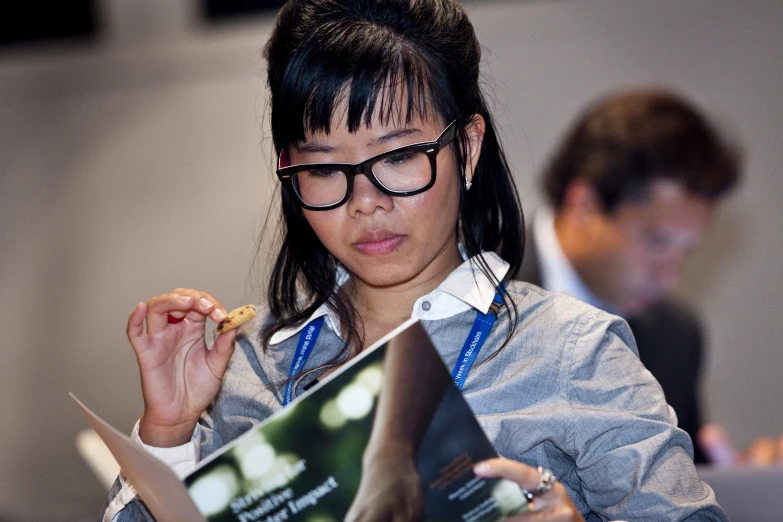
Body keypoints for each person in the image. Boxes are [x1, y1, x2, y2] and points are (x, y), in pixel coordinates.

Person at [100, 2, 726, 521]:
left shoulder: (573, 351)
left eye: (398, 156)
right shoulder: (249, 361)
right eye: (323, 167)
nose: (365, 203)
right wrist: (168, 434)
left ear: (468, 149)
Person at [518, 88, 781, 465]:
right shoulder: (467, 287)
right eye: (658, 243)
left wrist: (744, 480)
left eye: (686, 252)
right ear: (584, 207)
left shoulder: (676, 337)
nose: (671, 277)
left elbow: (681, 487)